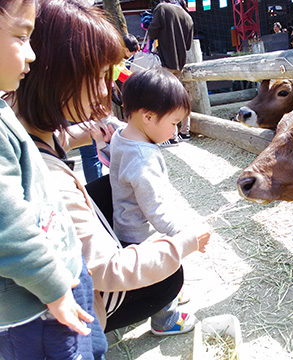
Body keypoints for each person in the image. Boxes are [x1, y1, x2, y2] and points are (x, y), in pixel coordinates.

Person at [15, 0, 210, 336]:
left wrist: (84, 132)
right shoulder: (48, 177)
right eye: (99, 76)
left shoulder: (22, 127)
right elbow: (107, 267)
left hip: (99, 244)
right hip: (77, 309)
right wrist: (183, 243)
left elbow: (59, 140)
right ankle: (161, 314)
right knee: (170, 273)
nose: (108, 90)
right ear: (60, 73)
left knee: (106, 189)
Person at [0, 0, 107, 359]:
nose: (30, 55)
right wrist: (55, 288)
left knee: (92, 348)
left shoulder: (3, 110)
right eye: (20, 36)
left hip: (64, 279)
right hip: (40, 306)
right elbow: (6, 225)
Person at [109, 66, 211, 335]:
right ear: (149, 116)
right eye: (174, 123)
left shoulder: (123, 135)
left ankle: (167, 300)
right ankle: (165, 319)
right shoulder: (143, 159)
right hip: (143, 233)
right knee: (165, 268)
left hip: (125, 223)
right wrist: (182, 235)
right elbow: (155, 209)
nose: (176, 131)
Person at [148, 0, 193, 145]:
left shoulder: (162, 8)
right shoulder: (187, 16)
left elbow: (152, 32)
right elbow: (187, 45)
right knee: (180, 98)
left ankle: (171, 136)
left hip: (164, 62)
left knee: (165, 100)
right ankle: (185, 132)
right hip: (180, 64)